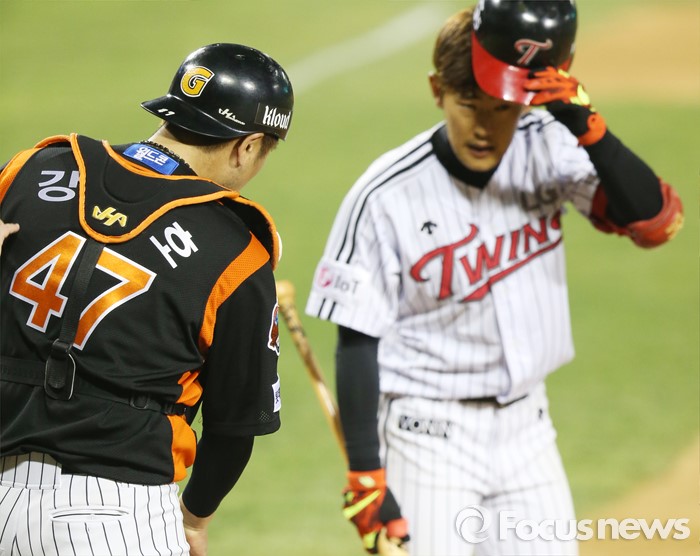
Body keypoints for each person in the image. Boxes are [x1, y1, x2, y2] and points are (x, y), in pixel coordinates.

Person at [305, 2, 683, 555]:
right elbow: (357, 340)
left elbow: (652, 221)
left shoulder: (547, 144)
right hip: (427, 437)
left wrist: (590, 129)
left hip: (530, 431)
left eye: (503, 109)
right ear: (438, 91)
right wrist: (367, 471)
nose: (484, 127)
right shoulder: (384, 195)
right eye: (469, 105)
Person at [0, 42, 293, 556]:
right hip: (114, 515)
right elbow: (235, 428)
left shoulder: (30, 169)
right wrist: (195, 519)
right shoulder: (237, 251)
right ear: (247, 146)